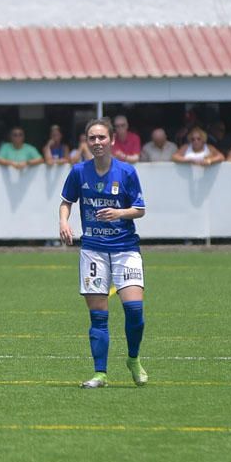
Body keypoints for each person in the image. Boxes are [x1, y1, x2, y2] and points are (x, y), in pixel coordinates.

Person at [59, 117, 148, 388]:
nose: (97, 142)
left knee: (134, 310)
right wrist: (64, 222)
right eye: (92, 138)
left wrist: (119, 213)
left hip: (125, 248)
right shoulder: (78, 172)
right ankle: (100, 373)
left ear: (112, 140)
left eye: (102, 138)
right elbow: (66, 202)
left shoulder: (127, 172)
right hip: (93, 250)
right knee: (99, 316)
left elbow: (140, 209)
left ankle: (133, 358)